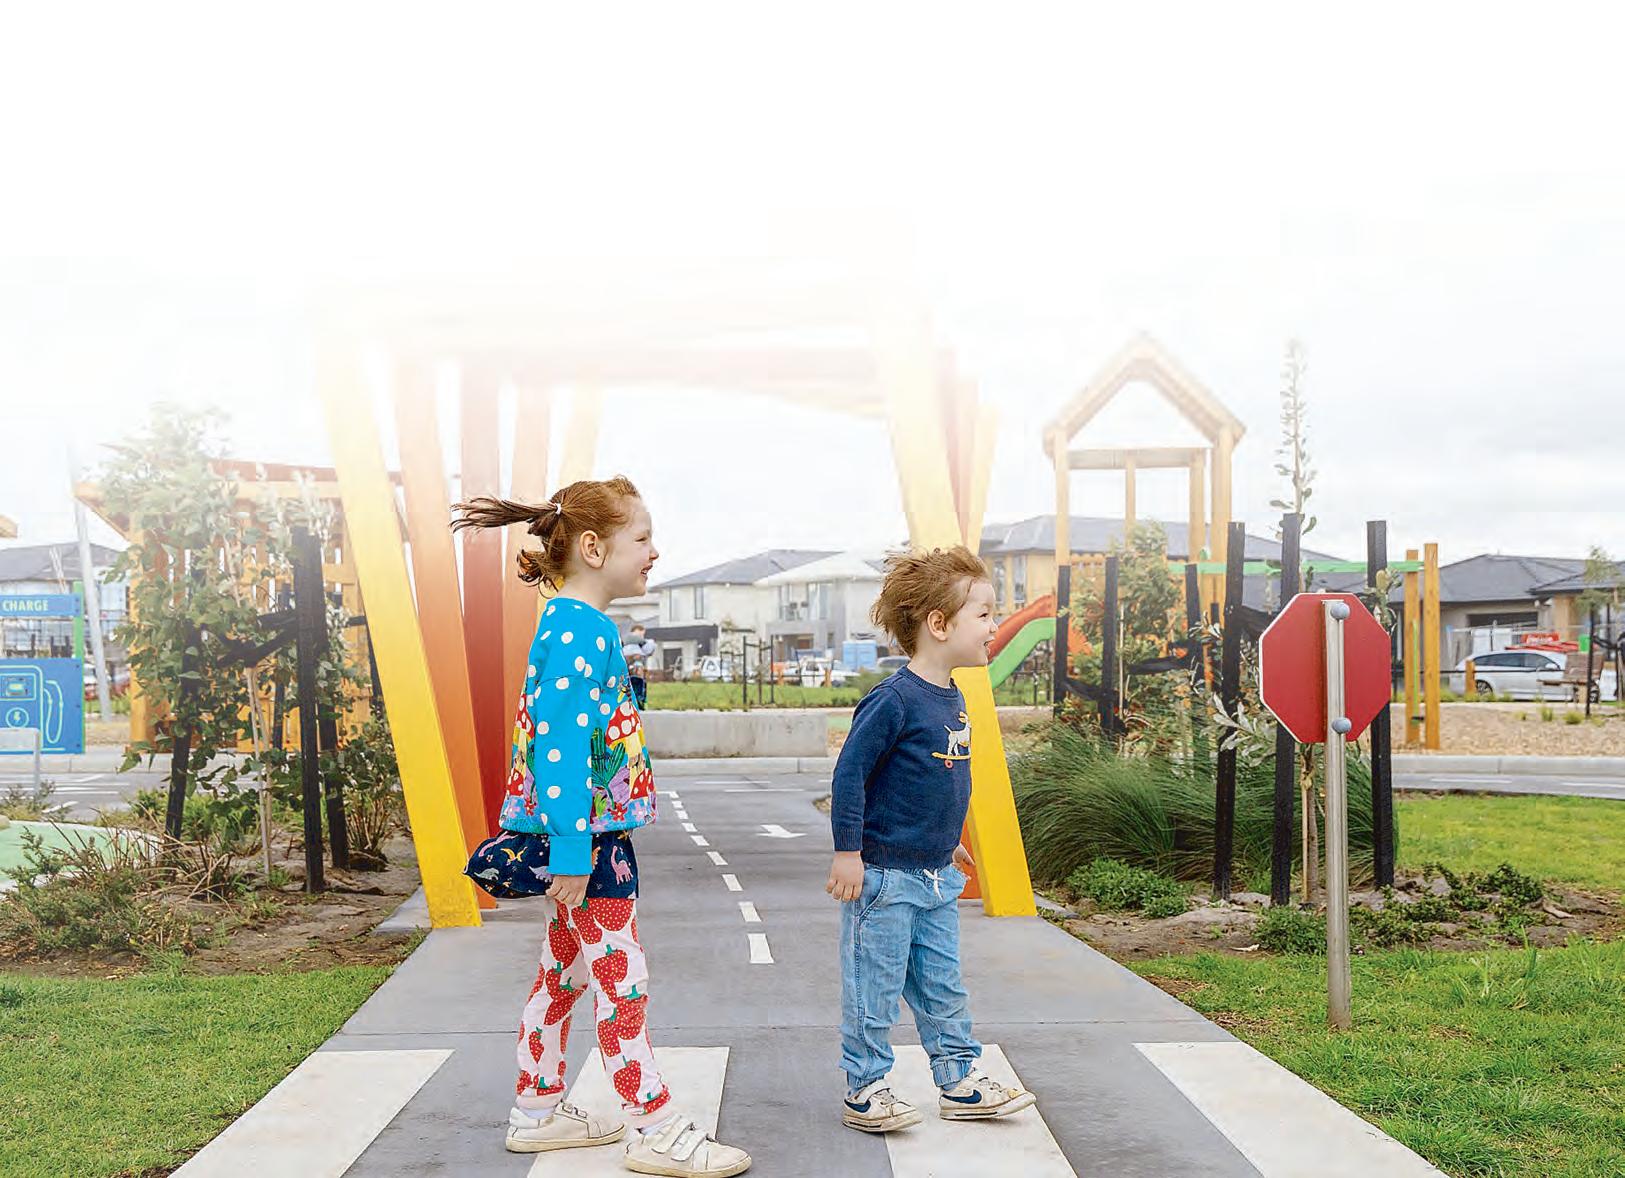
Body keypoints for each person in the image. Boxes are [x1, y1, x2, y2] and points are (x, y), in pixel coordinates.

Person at [453, 477, 751, 1177]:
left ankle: (536, 1111)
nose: (654, 552)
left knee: (562, 975)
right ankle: (653, 1126)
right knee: (623, 982)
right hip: (587, 844)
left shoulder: (572, 625)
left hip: (582, 839)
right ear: (593, 548)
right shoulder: (579, 630)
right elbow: (558, 743)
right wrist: (570, 847)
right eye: (641, 538)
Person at [825, 546, 1038, 1133]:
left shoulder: (952, 696)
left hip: (936, 877)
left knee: (943, 986)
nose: (994, 626)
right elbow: (850, 775)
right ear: (939, 624)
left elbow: (938, 780)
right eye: (984, 614)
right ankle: (864, 1088)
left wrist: (947, 843)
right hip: (884, 880)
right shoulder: (894, 700)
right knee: (874, 989)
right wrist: (847, 852)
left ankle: (959, 1080)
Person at [623, 622, 656, 708]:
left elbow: (648, 650)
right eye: (640, 634)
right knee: (633, 682)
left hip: (637, 667)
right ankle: (637, 699)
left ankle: (640, 699)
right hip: (631, 666)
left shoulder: (641, 643)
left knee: (639, 683)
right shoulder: (629, 639)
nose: (641, 636)